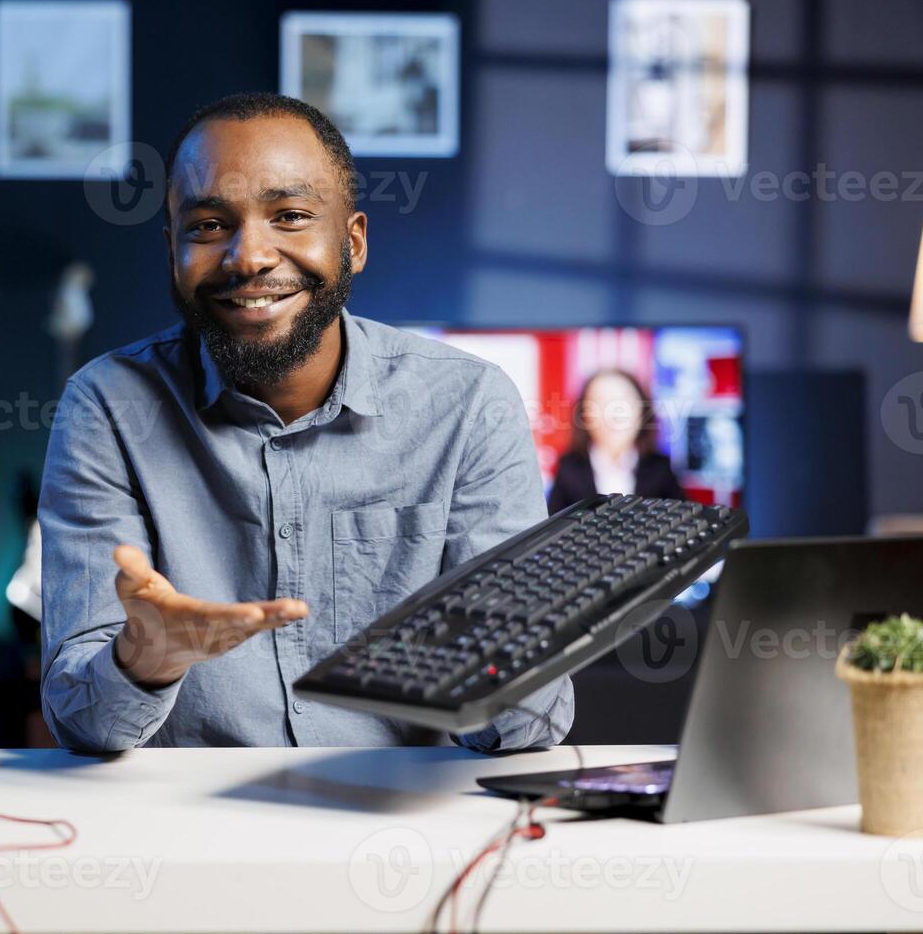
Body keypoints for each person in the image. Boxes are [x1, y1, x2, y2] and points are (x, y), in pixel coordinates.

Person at [38, 92, 573, 752]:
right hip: (191, 839)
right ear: (172, 249)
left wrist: (525, 649)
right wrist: (144, 658)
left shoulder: (468, 404)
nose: (249, 257)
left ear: (353, 242)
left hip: (407, 835)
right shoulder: (108, 407)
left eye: (290, 216)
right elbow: (79, 720)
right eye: (207, 226)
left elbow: (531, 731)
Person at [547, 369, 685, 515]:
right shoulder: (569, 469)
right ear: (584, 415)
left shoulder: (660, 469)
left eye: (624, 401)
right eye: (601, 401)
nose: (614, 412)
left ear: (642, 411)